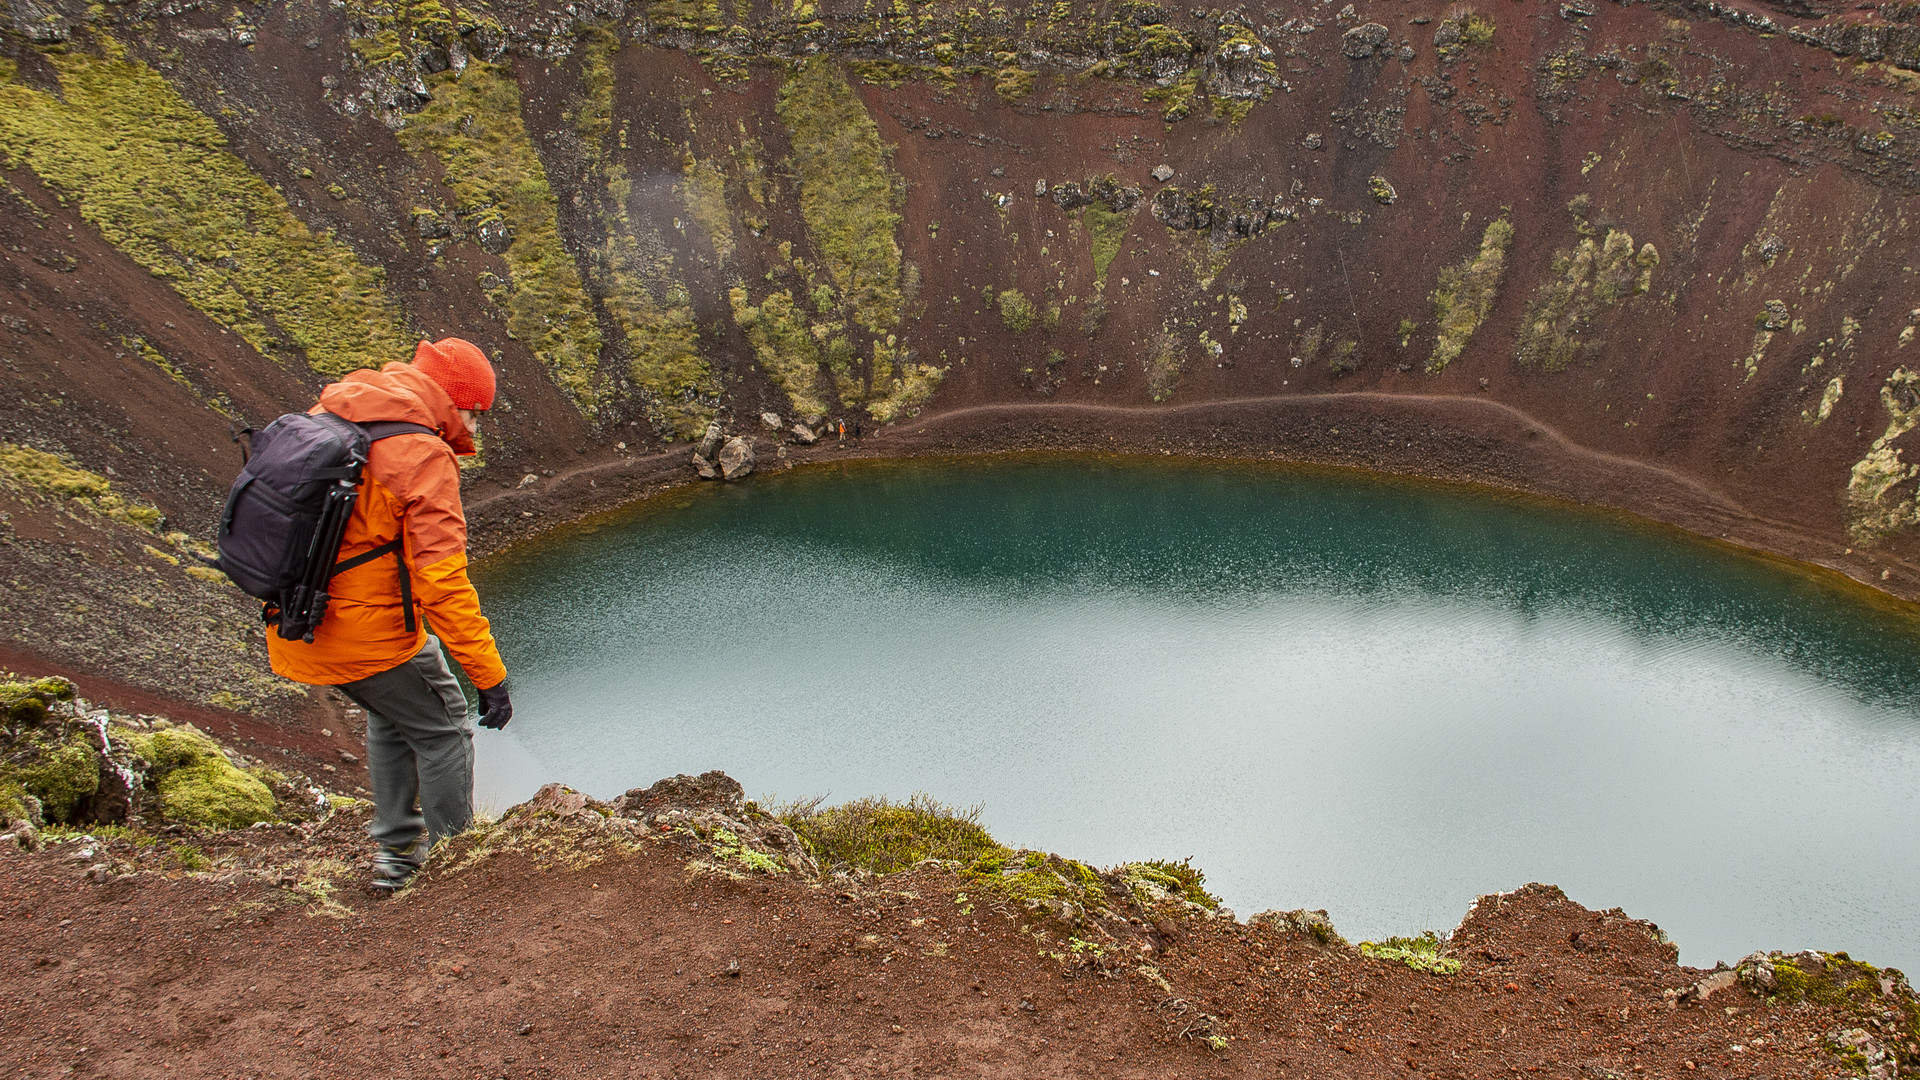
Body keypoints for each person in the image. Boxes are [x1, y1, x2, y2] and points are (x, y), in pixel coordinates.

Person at [263, 337, 513, 892]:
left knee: (393, 707)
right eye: (478, 414)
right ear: (458, 403)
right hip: (360, 633)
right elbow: (442, 583)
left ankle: (397, 856)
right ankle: (456, 865)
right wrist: (489, 678)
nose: (478, 429)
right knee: (446, 723)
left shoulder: (344, 410)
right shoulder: (421, 454)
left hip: (298, 619)